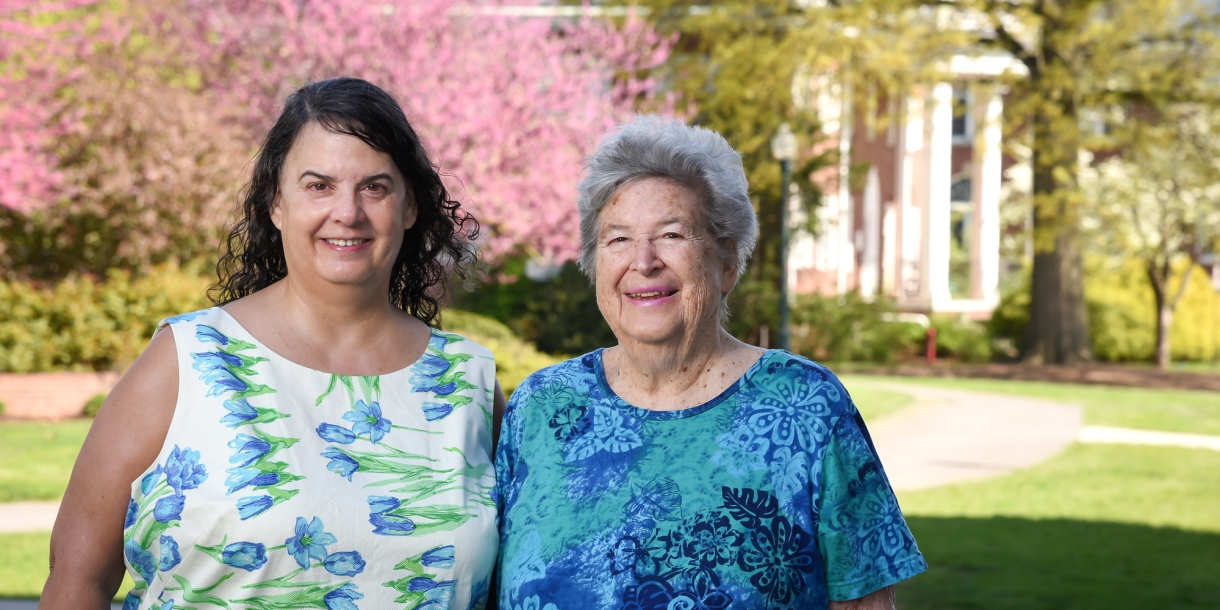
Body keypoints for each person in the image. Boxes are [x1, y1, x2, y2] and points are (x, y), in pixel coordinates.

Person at [42, 77, 502, 610]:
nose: (348, 212)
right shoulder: (188, 359)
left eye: (375, 187)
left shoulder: (468, 381)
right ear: (276, 204)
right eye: (319, 185)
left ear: (409, 207)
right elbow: (77, 580)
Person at [494, 116, 926, 610]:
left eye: (672, 235)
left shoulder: (807, 405)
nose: (644, 261)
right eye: (618, 239)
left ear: (725, 262)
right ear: (596, 265)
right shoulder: (541, 406)